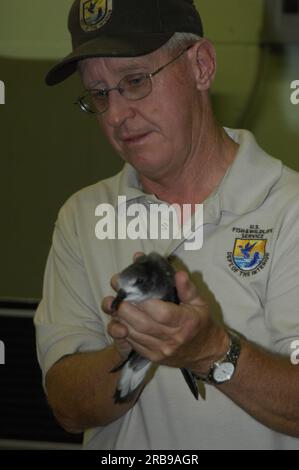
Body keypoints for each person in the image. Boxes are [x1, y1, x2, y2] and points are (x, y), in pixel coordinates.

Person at [34, 0, 299, 450]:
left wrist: (212, 350)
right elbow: (66, 405)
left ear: (201, 66)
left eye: (135, 82)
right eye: (99, 94)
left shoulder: (288, 209)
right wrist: (130, 351)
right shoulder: (82, 217)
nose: (116, 116)